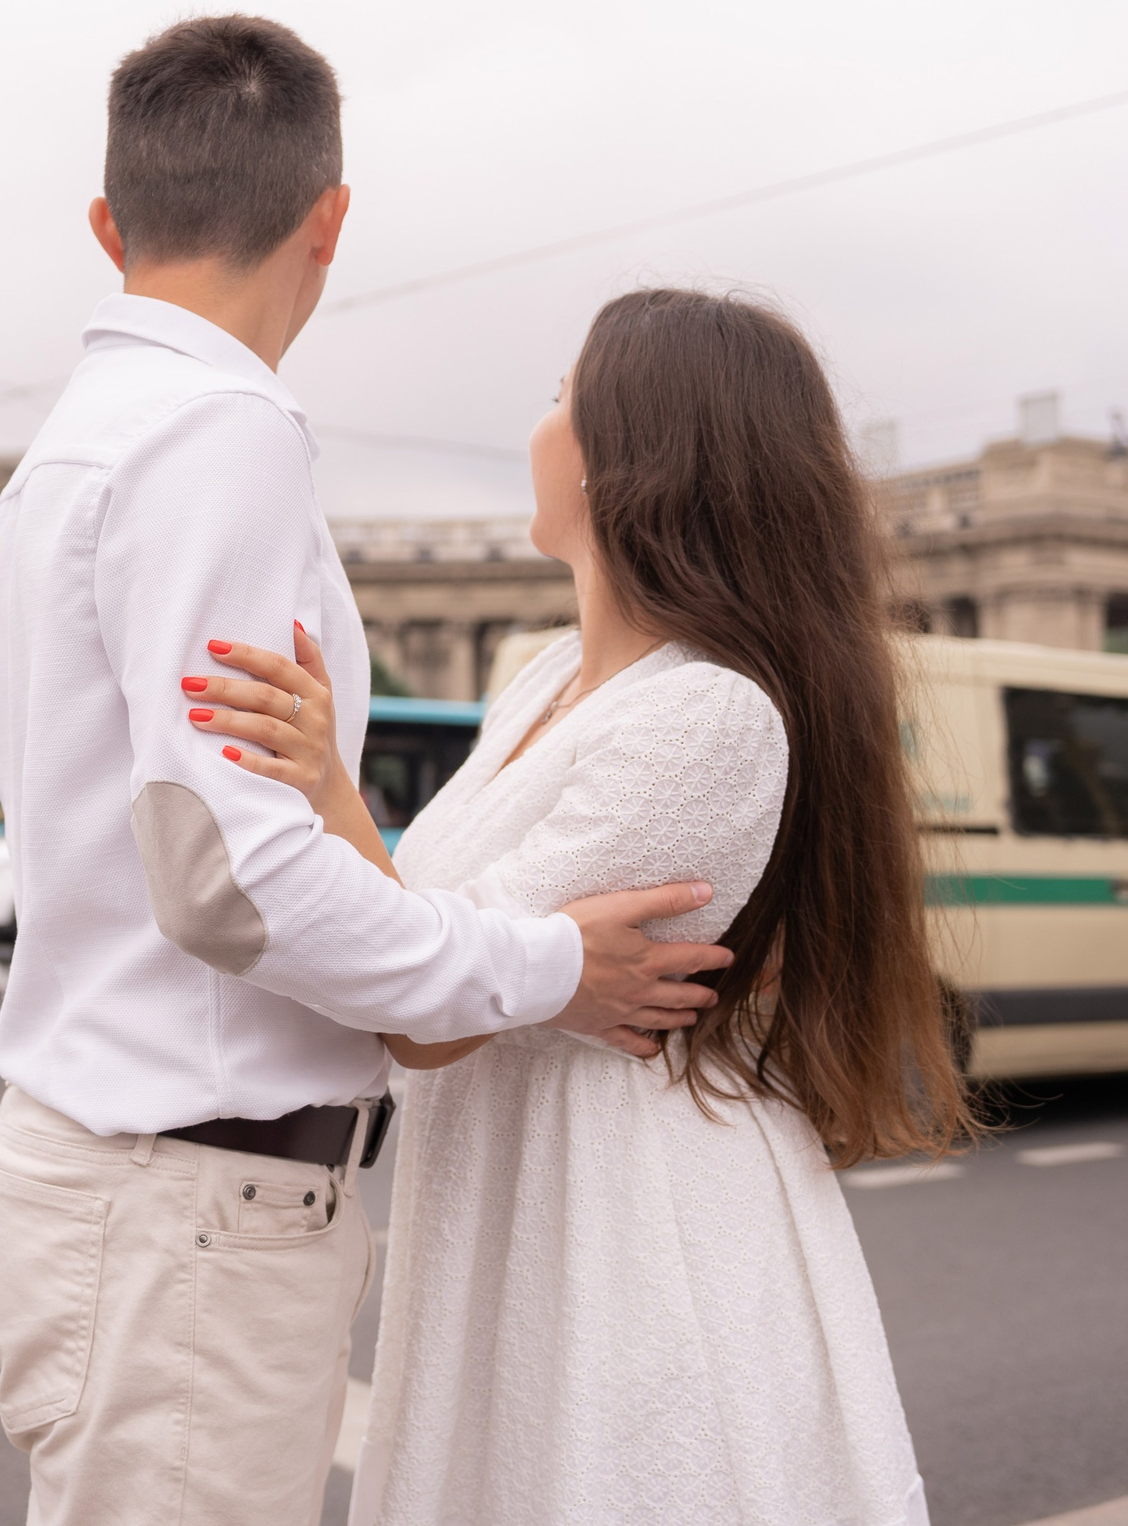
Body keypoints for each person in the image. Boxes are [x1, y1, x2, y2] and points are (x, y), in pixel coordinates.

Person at [0, 17, 736, 1526]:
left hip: (132, 1188)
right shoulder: (218, 430)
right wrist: (544, 966)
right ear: (329, 221)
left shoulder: (84, 439)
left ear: (110, 226)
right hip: (190, 1202)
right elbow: (230, 881)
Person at [192, 287, 974, 1525]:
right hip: (523, 1201)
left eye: (562, 395)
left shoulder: (708, 716)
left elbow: (425, 1014)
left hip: (620, 1229)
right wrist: (505, 943)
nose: (538, 423)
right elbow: (434, 934)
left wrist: (331, 786)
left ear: (634, 457)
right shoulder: (551, 678)